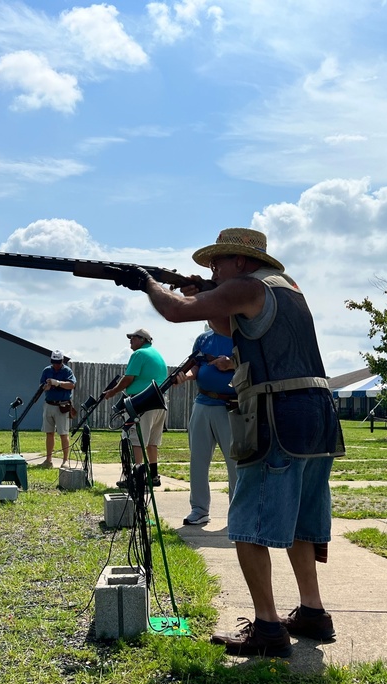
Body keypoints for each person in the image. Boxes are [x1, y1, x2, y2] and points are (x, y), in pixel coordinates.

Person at [111, 227, 345, 657]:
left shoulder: (245, 286)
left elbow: (176, 312)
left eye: (218, 262)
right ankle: (312, 611)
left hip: (277, 412)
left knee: (247, 525)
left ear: (240, 261)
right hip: (317, 410)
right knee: (301, 522)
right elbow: (230, 326)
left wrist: (148, 282)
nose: (213, 268)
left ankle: (268, 628)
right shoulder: (287, 289)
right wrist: (201, 291)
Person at [174, 328, 238, 525]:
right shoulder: (203, 338)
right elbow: (197, 366)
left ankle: (238, 513)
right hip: (202, 402)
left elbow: (255, 364)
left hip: (232, 406)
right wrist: (186, 375)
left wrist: (231, 364)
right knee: (198, 460)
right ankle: (199, 509)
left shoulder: (242, 335)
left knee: (235, 463)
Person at [102, 328, 168, 486]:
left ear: (143, 339)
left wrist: (112, 391)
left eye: (134, 337)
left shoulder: (138, 354)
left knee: (137, 440)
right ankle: (153, 476)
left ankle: (136, 477)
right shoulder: (157, 355)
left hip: (142, 402)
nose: (130, 340)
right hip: (159, 401)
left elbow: (128, 378)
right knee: (152, 442)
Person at [40, 350, 76, 468]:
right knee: (49, 433)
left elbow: (71, 385)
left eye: (58, 362)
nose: (56, 365)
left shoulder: (67, 371)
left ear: (61, 361)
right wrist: (47, 386)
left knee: (63, 433)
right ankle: (48, 460)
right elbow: (41, 387)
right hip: (49, 404)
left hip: (62, 406)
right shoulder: (47, 370)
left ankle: (65, 460)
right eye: (54, 362)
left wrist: (58, 383)